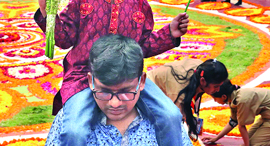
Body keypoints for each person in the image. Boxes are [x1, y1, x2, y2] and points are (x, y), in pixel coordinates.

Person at [34, 0, 189, 146]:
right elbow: (64, 39)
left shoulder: (140, 4)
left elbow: (142, 47)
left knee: (171, 116)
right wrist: (46, 12)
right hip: (84, 77)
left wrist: (170, 33)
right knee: (73, 131)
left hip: (129, 79)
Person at [46, 35, 193, 146]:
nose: (115, 103)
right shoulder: (68, 119)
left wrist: (170, 33)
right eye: (104, 92)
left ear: (142, 81)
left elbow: (149, 41)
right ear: (90, 81)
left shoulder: (168, 122)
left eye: (126, 92)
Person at [148, 59, 228, 140]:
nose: (218, 90)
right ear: (202, 81)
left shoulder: (204, 70)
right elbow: (173, 121)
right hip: (149, 88)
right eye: (216, 86)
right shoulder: (178, 93)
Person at [204, 80, 270, 146]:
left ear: (224, 96)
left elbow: (241, 127)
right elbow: (233, 122)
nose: (215, 101)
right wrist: (216, 138)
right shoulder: (233, 97)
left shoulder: (242, 100)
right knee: (248, 140)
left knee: (253, 144)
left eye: (214, 98)